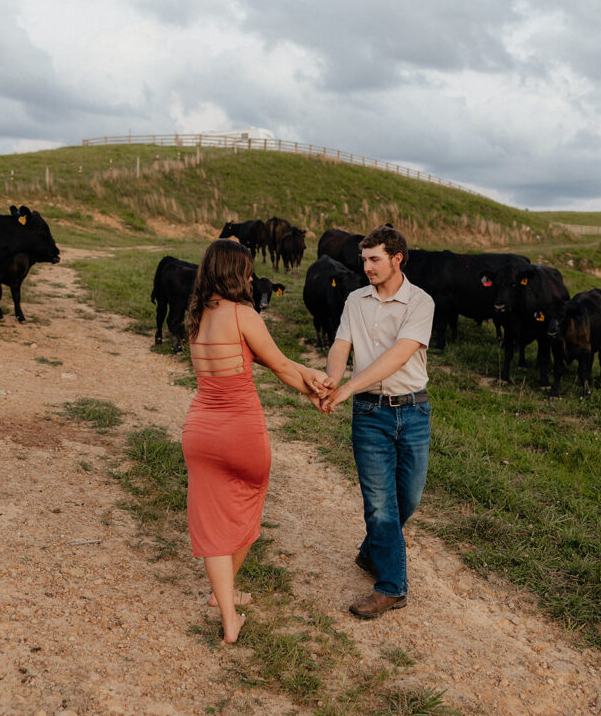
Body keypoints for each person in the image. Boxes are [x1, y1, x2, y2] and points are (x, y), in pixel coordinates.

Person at [182, 239, 328, 644]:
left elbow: (266, 359)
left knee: (212, 521)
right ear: (235, 273)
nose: (250, 277)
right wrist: (314, 392)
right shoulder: (243, 314)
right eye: (246, 270)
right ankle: (223, 599)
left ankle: (227, 611)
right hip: (241, 430)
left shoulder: (196, 317)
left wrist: (309, 376)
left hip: (200, 431)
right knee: (247, 506)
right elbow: (279, 363)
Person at [319, 226, 434, 618]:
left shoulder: (421, 302)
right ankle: (392, 587)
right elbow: (341, 344)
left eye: (374, 259)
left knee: (409, 498)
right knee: (380, 505)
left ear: (396, 259)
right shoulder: (355, 300)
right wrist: (333, 378)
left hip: (414, 411)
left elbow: (399, 356)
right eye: (363, 259)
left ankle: (373, 550)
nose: (366, 266)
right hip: (369, 414)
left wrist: (347, 387)